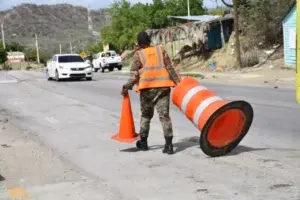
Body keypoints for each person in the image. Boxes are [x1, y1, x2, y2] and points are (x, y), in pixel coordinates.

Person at [121, 31, 181, 155]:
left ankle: (143, 143)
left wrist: (126, 87)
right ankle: (169, 145)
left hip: (147, 90)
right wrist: (178, 83)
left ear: (139, 43)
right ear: (149, 41)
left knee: (146, 116)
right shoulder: (160, 50)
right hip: (163, 88)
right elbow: (170, 68)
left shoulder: (139, 55)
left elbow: (134, 76)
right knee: (164, 117)